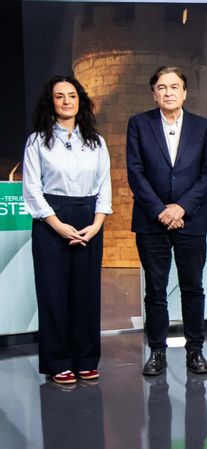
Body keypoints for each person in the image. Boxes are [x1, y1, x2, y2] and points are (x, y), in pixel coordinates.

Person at [127, 66, 207, 376]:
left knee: (193, 288)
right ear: (154, 93)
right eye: (162, 87)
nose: (168, 92)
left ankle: (195, 351)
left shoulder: (203, 127)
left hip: (190, 221)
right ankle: (157, 352)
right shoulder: (139, 125)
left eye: (174, 87)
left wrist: (180, 208)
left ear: (185, 92)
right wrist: (160, 211)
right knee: (155, 289)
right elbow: (135, 173)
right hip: (150, 222)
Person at [22, 76, 112, 385]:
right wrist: (59, 226)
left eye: (71, 95)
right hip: (51, 222)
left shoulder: (96, 142)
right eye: (59, 96)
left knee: (86, 294)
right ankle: (58, 361)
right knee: (53, 294)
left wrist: (96, 224)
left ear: (80, 100)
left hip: (89, 220)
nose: (66, 101)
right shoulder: (37, 141)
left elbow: (105, 188)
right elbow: (32, 191)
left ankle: (86, 358)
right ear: (51, 102)